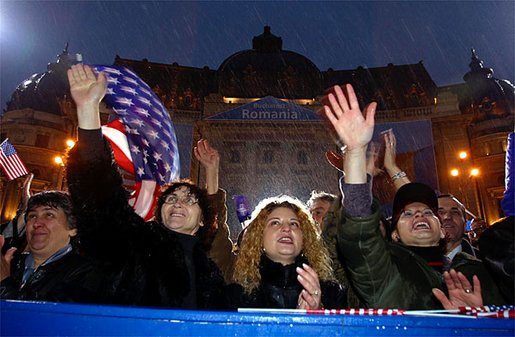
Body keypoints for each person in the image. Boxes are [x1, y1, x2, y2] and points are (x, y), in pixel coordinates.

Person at [322, 83, 505, 309]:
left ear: (442, 231)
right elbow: (360, 233)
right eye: (407, 214)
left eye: (429, 211)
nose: (419, 214)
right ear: (395, 234)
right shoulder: (386, 272)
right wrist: (356, 152)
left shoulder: (481, 270)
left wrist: (477, 322)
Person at [65, 64, 224, 308]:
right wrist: (88, 113)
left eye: (189, 200)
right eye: (170, 199)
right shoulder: (136, 243)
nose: (178, 202)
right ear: (159, 213)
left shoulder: (211, 272)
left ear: (203, 219)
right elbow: (98, 199)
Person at [225, 195, 346, 309]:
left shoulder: (331, 293)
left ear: (305, 238)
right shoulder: (235, 296)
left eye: (294, 224)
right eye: (275, 223)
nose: (287, 228)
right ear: (258, 237)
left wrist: (319, 313)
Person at [0, 191, 102, 302]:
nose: (36, 223)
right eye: (32, 216)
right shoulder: (10, 264)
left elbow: (53, 316)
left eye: (49, 215)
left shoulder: (87, 273)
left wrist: (3, 284)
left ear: (73, 229)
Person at [437, 194, 478, 260]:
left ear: (465, 224)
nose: (447, 217)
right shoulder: (416, 264)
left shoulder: (487, 265)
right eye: (440, 212)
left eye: (455, 212)